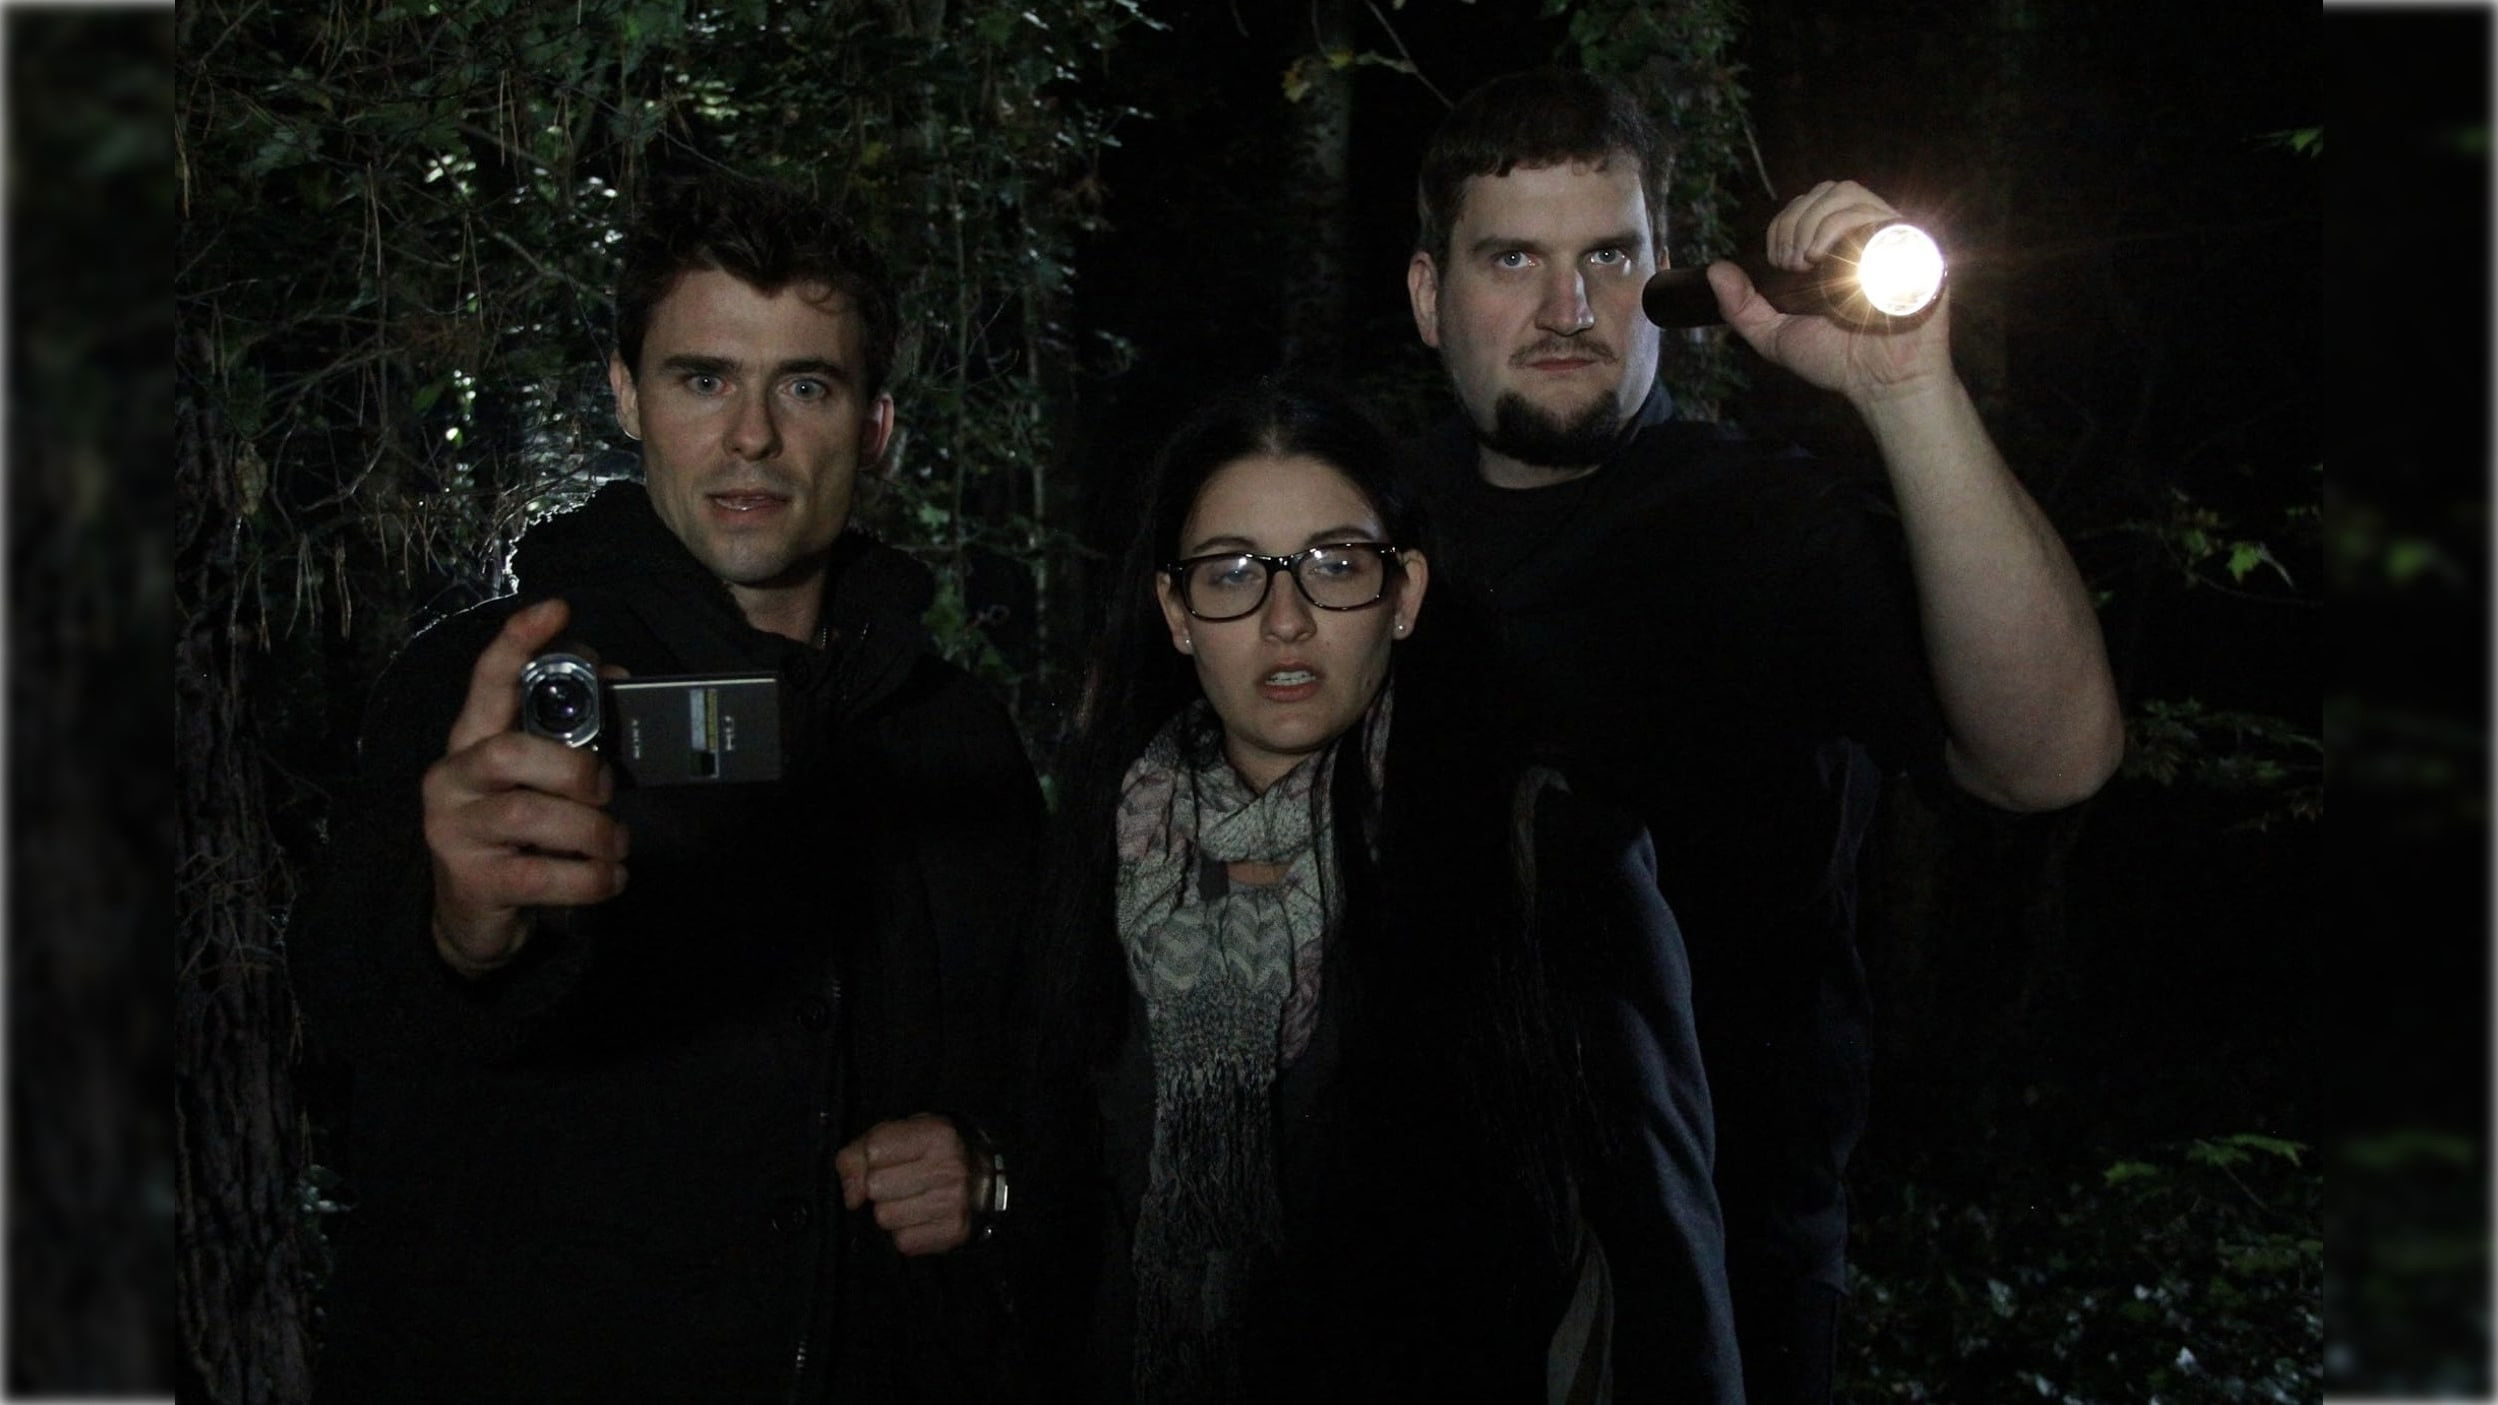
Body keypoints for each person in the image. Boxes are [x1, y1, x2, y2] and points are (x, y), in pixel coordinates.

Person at [1403, 70, 2125, 1403]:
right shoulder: (1356, 544)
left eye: (1608, 256)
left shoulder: (1768, 531)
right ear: (1425, 294)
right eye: (1510, 259)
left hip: (1728, 1293)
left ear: (1663, 278)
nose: (1567, 308)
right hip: (1411, 1279)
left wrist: (1905, 395)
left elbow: (2051, 759)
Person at [288, 174, 1045, 1403]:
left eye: (806, 386)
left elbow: (1048, 1058)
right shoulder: (497, 686)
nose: (752, 437)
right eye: (703, 379)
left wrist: (986, 1163)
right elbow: (353, 1009)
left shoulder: (953, 734)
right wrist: (461, 930)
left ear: (874, 428)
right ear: (626, 397)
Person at [1019, 378, 1742, 1403]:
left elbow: (1666, 1273)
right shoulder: (1105, 860)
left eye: (1334, 566)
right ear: (1176, 613)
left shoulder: (1539, 860)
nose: (1285, 619)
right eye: (1232, 573)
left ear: (1404, 593)